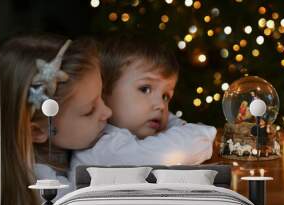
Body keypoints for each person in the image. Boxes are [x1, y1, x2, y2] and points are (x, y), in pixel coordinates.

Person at [69, 34, 217, 182]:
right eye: (145, 89)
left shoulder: (140, 138)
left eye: (166, 96)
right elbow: (185, 146)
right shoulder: (102, 147)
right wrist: (206, 135)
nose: (160, 105)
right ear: (104, 91)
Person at [0, 34, 112, 205]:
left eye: (103, 96)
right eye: (89, 110)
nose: (108, 111)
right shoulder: (51, 193)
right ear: (37, 131)